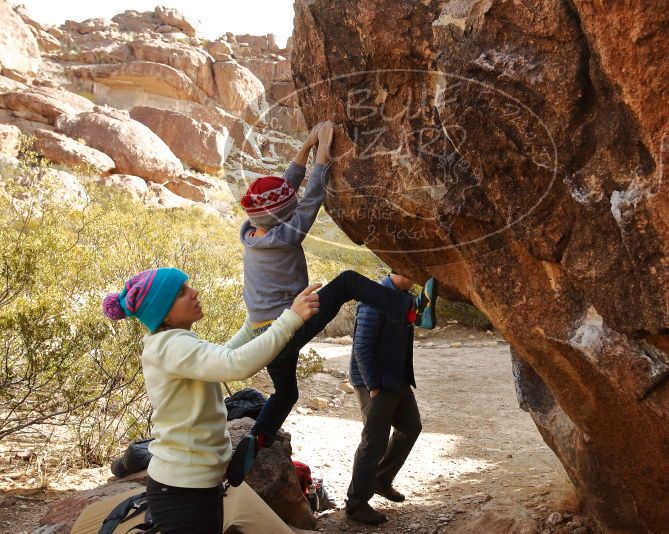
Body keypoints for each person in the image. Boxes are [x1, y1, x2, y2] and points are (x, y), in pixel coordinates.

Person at [228, 121, 439, 486]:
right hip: (286, 329)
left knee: (286, 393)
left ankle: (258, 439)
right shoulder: (286, 236)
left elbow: (285, 190)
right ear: (280, 215)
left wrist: (306, 145)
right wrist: (322, 156)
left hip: (265, 335)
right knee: (348, 282)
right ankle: (410, 311)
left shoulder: (253, 231)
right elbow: (309, 199)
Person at [101, 267, 319, 533]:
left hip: (190, 484)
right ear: (164, 312)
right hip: (183, 490)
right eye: (182, 292)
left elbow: (221, 356)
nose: (194, 293)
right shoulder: (171, 346)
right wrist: (290, 320)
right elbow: (236, 364)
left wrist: (252, 328)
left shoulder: (171, 342)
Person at [345, 271, 428, 525]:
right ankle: (356, 503)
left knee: (411, 427)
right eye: (408, 270)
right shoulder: (375, 298)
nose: (414, 276)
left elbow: (420, 316)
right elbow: (362, 346)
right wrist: (373, 386)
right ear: (394, 271)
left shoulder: (403, 298)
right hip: (377, 382)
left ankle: (381, 479)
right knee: (374, 442)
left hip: (398, 380)